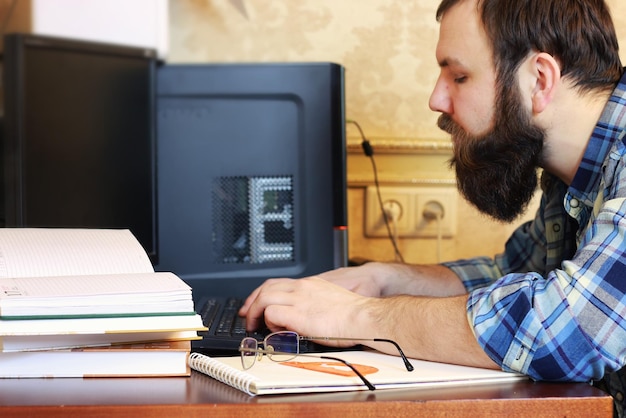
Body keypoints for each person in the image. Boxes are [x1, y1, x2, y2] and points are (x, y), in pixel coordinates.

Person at [240, 0, 626, 413]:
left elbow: (568, 330)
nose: (436, 99)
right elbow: (508, 272)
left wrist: (358, 316)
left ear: (539, 79)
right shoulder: (570, 182)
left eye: (459, 76)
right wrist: (386, 280)